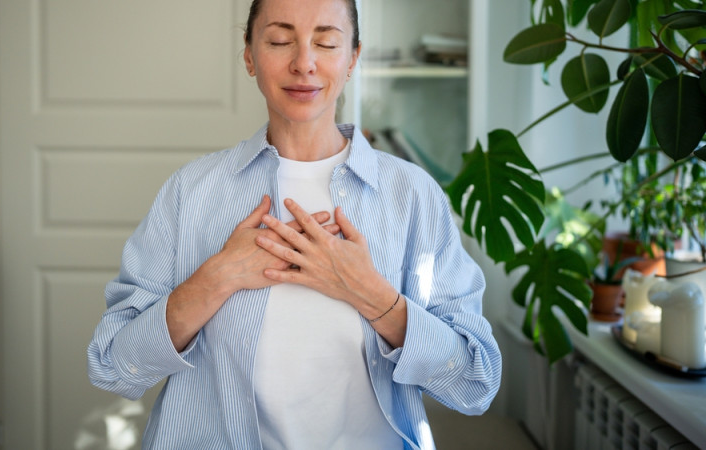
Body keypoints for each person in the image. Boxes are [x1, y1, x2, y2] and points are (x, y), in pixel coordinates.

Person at [87, 0, 502, 448]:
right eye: (280, 41)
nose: (304, 63)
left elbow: (474, 383)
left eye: (326, 42)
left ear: (353, 59)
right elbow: (112, 365)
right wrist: (217, 278)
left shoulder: (413, 196)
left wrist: (373, 296)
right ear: (249, 55)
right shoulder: (190, 192)